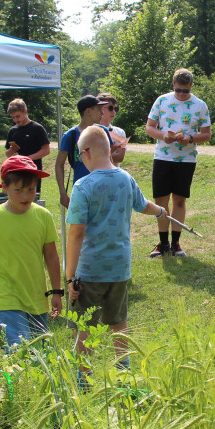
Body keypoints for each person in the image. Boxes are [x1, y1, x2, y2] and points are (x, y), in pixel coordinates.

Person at [64, 126, 164, 382]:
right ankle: (124, 373)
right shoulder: (126, 178)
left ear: (85, 153)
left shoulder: (82, 185)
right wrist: (161, 211)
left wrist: (69, 276)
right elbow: (143, 205)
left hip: (89, 271)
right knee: (118, 322)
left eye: (78, 155)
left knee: (83, 327)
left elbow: (75, 234)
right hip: (120, 269)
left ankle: (83, 377)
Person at [0, 156, 62, 349]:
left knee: (40, 354)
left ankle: (27, 380)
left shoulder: (43, 215)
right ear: (4, 187)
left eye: (31, 189)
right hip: (8, 294)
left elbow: (52, 255)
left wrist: (56, 291)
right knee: (18, 349)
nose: (25, 196)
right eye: (18, 190)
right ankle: (16, 380)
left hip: (37, 295)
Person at [145, 68, 211, 258]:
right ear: (173, 85)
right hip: (163, 157)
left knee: (179, 200)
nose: (182, 94)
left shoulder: (200, 105)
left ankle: (176, 243)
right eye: (178, 90)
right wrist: (163, 136)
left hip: (186, 159)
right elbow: (150, 127)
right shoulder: (162, 100)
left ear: (191, 86)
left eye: (185, 90)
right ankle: (162, 242)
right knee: (161, 201)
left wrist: (190, 138)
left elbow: (206, 134)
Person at [56, 95, 109, 208]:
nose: (102, 113)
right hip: (81, 188)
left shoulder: (103, 131)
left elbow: (110, 160)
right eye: (99, 110)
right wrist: (62, 193)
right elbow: (59, 164)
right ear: (88, 111)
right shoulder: (71, 135)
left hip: (103, 186)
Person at [4, 98, 50, 195]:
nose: (16, 120)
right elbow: (7, 153)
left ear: (25, 112)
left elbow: (46, 150)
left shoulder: (37, 128)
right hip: (16, 172)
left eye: (18, 116)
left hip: (32, 171)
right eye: (13, 118)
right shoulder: (12, 131)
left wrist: (27, 159)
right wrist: (11, 150)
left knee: (32, 198)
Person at [97, 93, 127, 167]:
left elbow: (119, 158)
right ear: (99, 108)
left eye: (115, 109)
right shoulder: (89, 131)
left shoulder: (120, 132)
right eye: (110, 108)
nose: (114, 112)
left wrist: (97, 155)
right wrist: (112, 150)